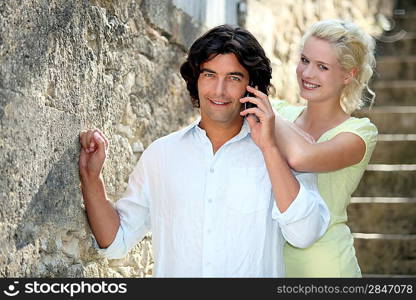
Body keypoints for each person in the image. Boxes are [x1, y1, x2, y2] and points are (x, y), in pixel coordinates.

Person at [79, 24, 329, 277]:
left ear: (251, 87)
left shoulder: (282, 156)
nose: (219, 91)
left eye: (233, 78)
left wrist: (269, 148)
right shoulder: (161, 155)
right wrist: (91, 178)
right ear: (195, 80)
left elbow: (305, 234)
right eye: (209, 75)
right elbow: (116, 242)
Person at [243, 19, 378, 277]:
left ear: (348, 74)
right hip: (269, 262)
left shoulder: (359, 133)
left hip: (325, 266)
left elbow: (301, 157)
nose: (307, 74)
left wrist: (270, 116)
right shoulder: (280, 113)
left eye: (322, 67)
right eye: (304, 60)